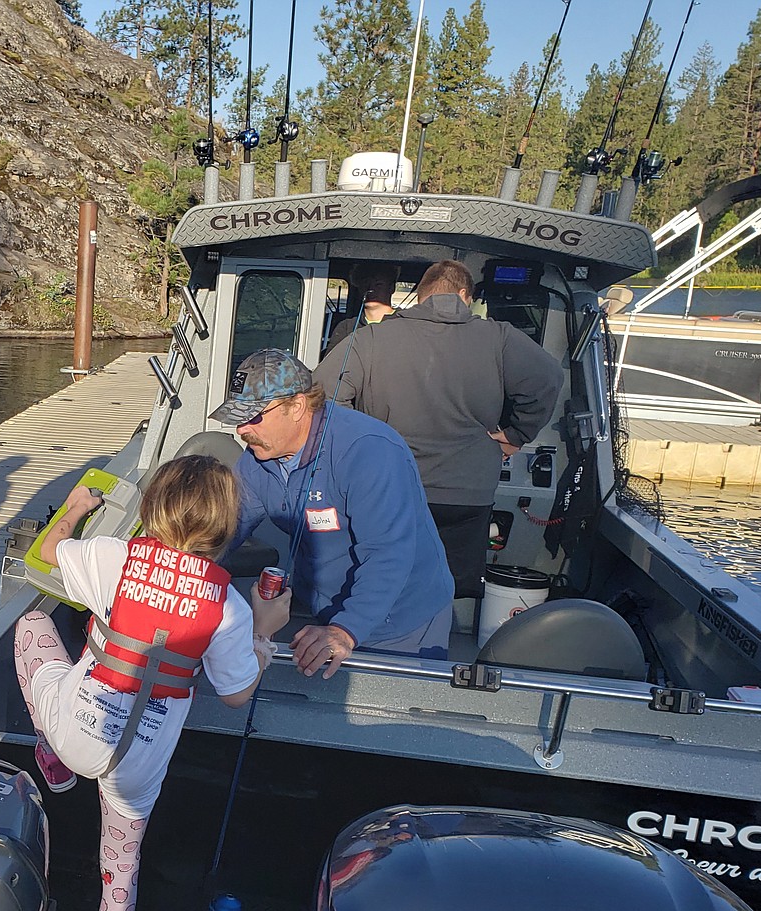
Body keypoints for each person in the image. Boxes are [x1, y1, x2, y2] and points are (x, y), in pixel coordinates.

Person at [13, 455, 291, 911]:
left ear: (151, 512)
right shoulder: (230, 609)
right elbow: (236, 692)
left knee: (30, 627)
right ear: (226, 529)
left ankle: (52, 758)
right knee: (121, 864)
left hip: (75, 729)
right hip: (138, 762)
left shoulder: (115, 560)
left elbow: (41, 555)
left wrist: (73, 509)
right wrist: (265, 630)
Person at [314, 259, 564, 600]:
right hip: (467, 494)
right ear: (465, 295)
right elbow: (549, 378)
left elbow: (324, 396)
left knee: (378, 582)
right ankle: (438, 646)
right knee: (449, 590)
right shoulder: (500, 337)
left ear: (420, 296)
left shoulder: (370, 338)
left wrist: (361, 450)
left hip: (389, 490)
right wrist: (516, 433)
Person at [215, 348, 453, 679]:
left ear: (297, 407)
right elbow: (227, 528)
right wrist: (183, 572)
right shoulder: (257, 458)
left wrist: (345, 630)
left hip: (403, 621)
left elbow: (389, 554)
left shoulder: (369, 450)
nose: (242, 430)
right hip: (327, 608)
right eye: (238, 419)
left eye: (253, 417)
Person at [324, 262, 398, 353]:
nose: (370, 289)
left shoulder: (405, 324)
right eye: (366, 283)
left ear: (391, 288)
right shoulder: (346, 328)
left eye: (378, 284)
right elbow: (333, 363)